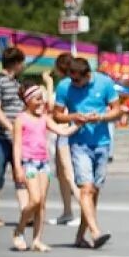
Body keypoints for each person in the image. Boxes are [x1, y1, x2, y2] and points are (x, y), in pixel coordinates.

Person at [54, 57, 120, 249]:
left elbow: (117, 111)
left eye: (78, 80)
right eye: (71, 79)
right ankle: (96, 232)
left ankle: (80, 236)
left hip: (102, 143)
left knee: (94, 192)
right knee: (86, 189)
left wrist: (100, 117)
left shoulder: (104, 82)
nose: (74, 83)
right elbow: (56, 115)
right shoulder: (64, 86)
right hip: (78, 143)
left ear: (88, 75)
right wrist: (74, 116)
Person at [11, 84, 78, 252]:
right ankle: (19, 229)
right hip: (29, 163)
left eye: (42, 98)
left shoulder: (44, 118)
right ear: (28, 101)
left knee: (42, 204)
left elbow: (63, 132)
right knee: (34, 200)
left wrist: (80, 123)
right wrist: (18, 167)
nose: (42, 102)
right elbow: (17, 145)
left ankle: (37, 240)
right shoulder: (21, 119)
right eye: (38, 99)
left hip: (43, 163)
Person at [0, 46, 29, 227]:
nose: (23, 66)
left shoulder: (17, 83)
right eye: (21, 63)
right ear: (16, 63)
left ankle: (26, 212)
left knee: (21, 174)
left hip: (16, 139)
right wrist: (11, 127)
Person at [45, 53, 79, 225]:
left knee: (67, 172)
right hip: (64, 131)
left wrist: (49, 84)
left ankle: (83, 212)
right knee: (62, 173)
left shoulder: (65, 85)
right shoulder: (73, 83)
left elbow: (53, 108)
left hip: (64, 131)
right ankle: (67, 211)